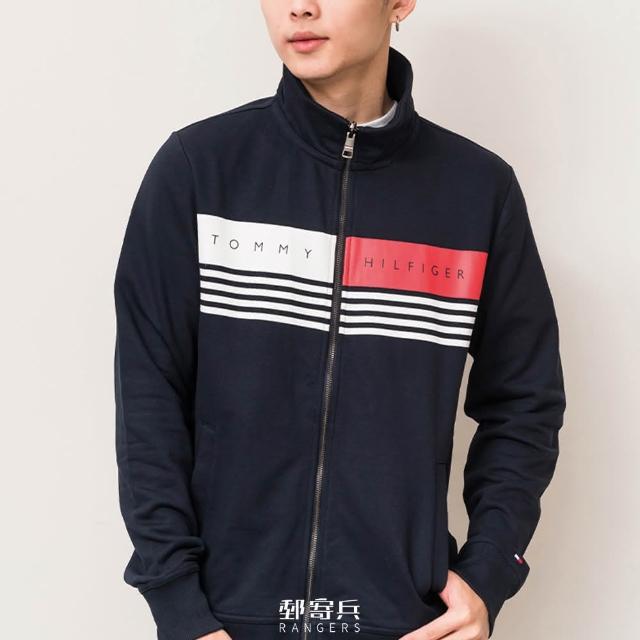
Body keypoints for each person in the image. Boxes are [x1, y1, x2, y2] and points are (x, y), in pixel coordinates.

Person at [113, 2, 566, 640]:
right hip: (224, 621)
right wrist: (177, 603)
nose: (299, 6)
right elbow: (148, 397)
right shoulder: (199, 170)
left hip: (403, 621)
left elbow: (525, 402)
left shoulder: (477, 192)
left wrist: (489, 572)